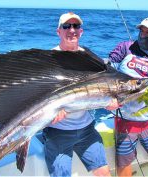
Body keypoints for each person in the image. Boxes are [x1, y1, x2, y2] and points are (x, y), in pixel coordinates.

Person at [43, 12, 117, 177]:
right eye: (66, 26)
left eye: (76, 26)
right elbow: (41, 96)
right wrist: (50, 115)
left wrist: (110, 103)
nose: (72, 30)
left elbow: (103, 88)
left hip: (87, 129)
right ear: (59, 31)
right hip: (57, 131)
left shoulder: (89, 57)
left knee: (105, 174)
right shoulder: (49, 59)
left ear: (81, 31)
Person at [108, 17, 148, 177]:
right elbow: (110, 63)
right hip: (125, 117)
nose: (143, 35)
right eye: (141, 31)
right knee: (123, 161)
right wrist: (108, 65)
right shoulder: (126, 47)